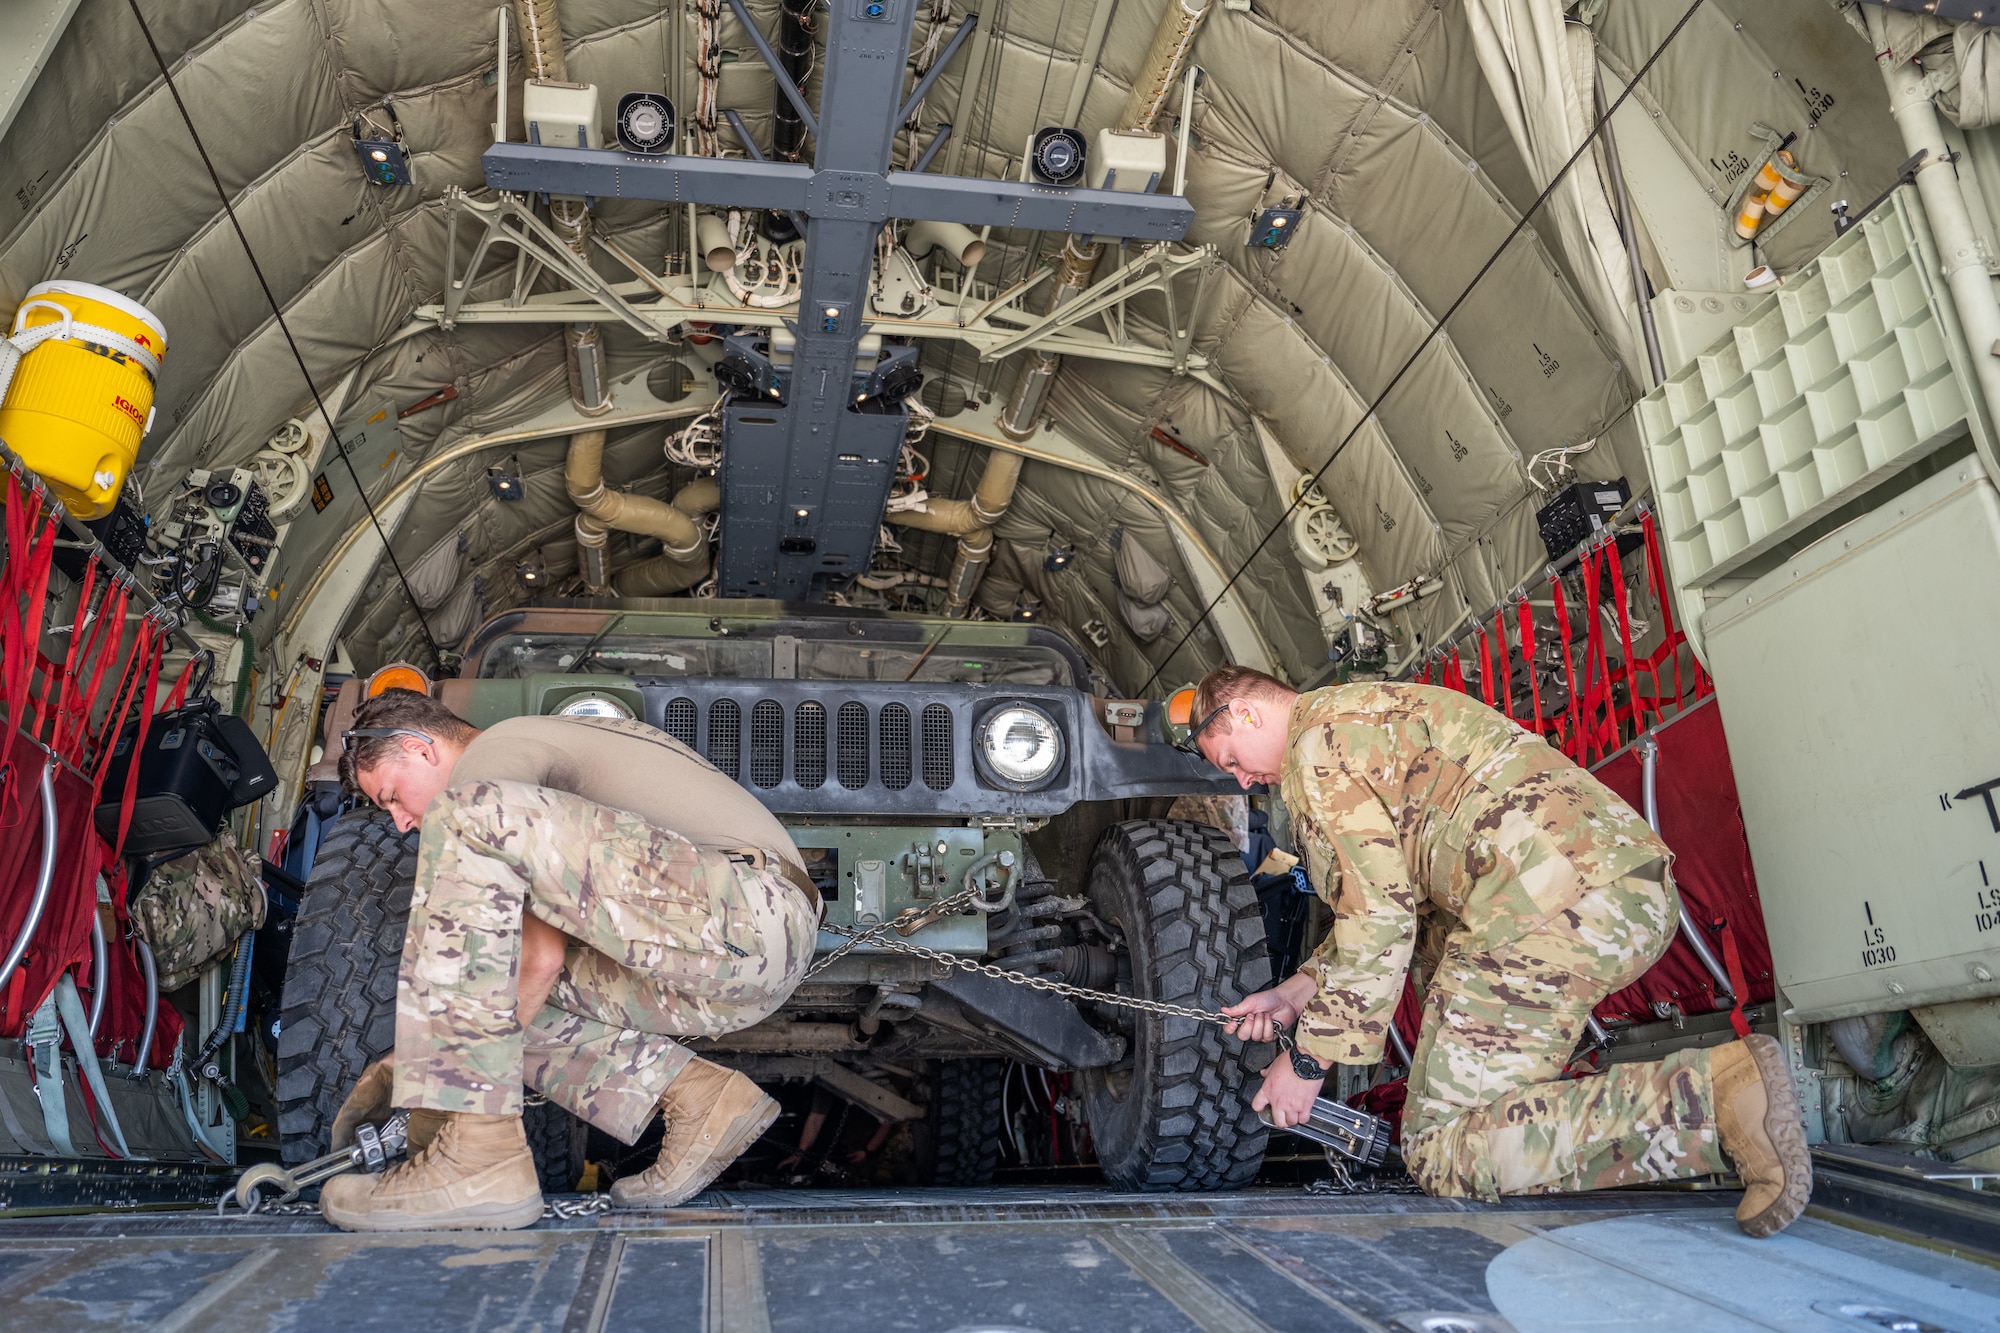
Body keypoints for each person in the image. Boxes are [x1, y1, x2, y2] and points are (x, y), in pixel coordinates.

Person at [1188, 666, 1811, 1237]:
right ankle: (1704, 1125)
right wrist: (1292, 995)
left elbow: (1376, 919)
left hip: (1540, 904)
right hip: (1612, 884)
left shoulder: (1314, 755)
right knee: (1472, 1122)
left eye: (1233, 762)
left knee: (1440, 1146)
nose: (1244, 781)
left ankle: (1718, 1101)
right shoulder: (1361, 711)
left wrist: (1306, 1066)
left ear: (1242, 712)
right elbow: (1394, 904)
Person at [319, 689, 821, 1231]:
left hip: (747, 908)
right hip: (735, 954)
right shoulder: (528, 780)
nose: (399, 822)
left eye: (392, 796)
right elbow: (518, 980)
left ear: (422, 748)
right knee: (491, 990)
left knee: (462, 817)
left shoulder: (498, 752)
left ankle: (474, 1158)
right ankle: (698, 1096)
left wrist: (436, 1089)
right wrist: (424, 1055)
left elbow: (539, 957)